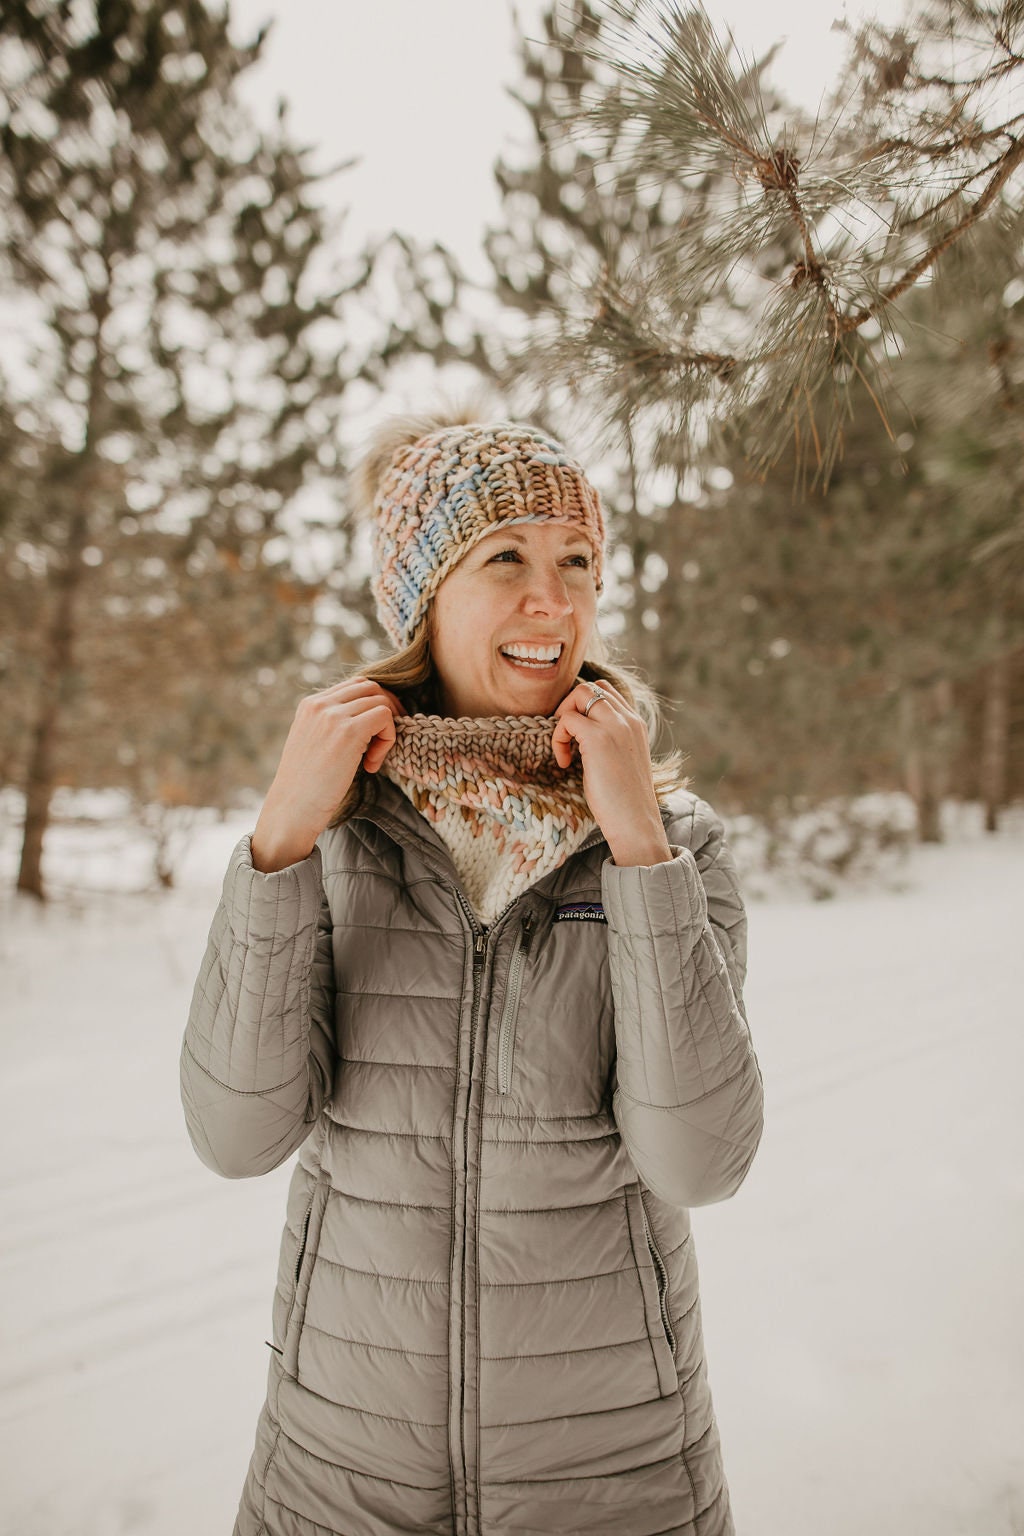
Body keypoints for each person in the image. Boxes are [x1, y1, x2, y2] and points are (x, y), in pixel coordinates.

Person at [180, 414, 765, 1536]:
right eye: (506, 558)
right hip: (335, 1480)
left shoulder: (674, 844)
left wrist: (639, 851)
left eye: (576, 562)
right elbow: (235, 1135)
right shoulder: (335, 835)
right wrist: (278, 852)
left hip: (616, 1482)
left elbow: (698, 1160)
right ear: (422, 596)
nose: (554, 602)